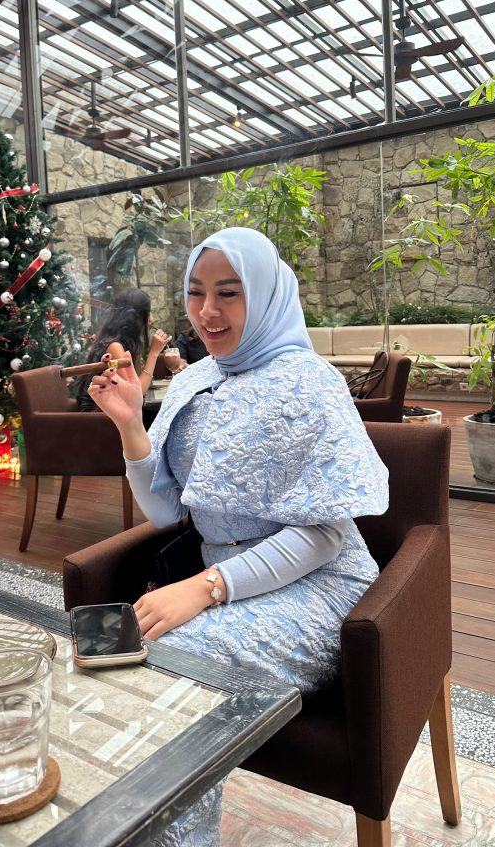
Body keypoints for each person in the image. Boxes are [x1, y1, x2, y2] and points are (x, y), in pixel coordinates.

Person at [88, 228, 388, 847]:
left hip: (324, 589)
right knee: (103, 650)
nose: (208, 312)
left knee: (177, 668)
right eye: (196, 292)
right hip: (223, 583)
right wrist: (131, 426)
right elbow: (167, 509)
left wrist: (205, 588)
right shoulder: (195, 381)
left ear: (267, 293)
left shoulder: (310, 383)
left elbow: (323, 538)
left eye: (229, 293)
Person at [76, 288, 171, 411]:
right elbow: (136, 394)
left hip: (110, 412)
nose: (151, 319)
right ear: (136, 317)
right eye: (148, 313)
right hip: (98, 418)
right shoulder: (115, 347)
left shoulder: (123, 343)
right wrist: (154, 353)